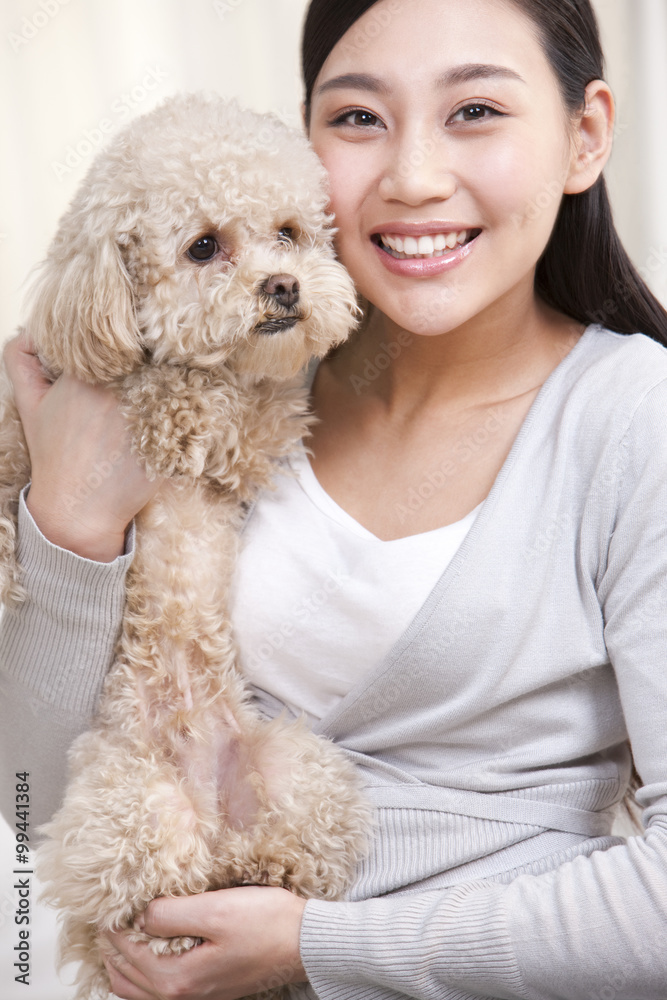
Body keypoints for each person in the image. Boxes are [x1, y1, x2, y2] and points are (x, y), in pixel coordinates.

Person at [2, 0, 667, 997]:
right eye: (358, 117)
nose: (411, 177)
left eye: (475, 110)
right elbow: (35, 803)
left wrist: (312, 944)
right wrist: (72, 528)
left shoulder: (633, 426)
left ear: (584, 136)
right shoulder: (240, 377)